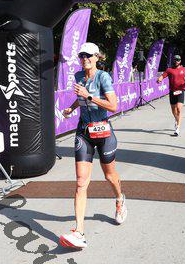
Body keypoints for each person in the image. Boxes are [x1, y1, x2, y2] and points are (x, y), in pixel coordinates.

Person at [59, 42, 127, 249]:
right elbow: (80, 99)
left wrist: (89, 96)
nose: (85, 59)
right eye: (82, 55)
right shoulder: (79, 76)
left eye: (88, 55)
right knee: (81, 182)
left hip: (103, 131)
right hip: (84, 132)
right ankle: (79, 232)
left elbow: (113, 106)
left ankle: (119, 199)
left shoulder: (103, 77)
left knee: (110, 176)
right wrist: (71, 109)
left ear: (97, 57)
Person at [157, 55, 185, 136]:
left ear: (180, 61)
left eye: (178, 60)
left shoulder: (184, 69)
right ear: (173, 60)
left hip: (181, 91)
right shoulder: (169, 70)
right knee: (174, 111)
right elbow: (163, 76)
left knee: (179, 109)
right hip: (172, 92)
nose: (176, 61)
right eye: (175, 60)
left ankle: (178, 128)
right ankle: (176, 119)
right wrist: (160, 79)